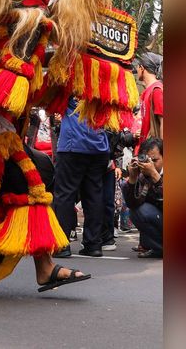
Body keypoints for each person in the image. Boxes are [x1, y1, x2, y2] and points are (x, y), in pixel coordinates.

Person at [51, 104, 115, 258]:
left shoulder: (73, 80)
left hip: (73, 144)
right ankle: (93, 244)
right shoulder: (106, 82)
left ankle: (62, 245)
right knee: (94, 195)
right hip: (99, 146)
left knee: (65, 195)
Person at [122, 139, 163, 258]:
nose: (151, 164)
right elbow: (133, 204)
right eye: (147, 160)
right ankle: (159, 248)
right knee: (138, 212)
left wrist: (155, 176)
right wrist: (132, 179)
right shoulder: (144, 176)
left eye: (155, 160)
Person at [134, 52, 164, 153]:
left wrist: (161, 153)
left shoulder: (157, 90)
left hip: (154, 153)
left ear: (142, 68)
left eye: (137, 67)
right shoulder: (147, 92)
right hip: (144, 149)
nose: (136, 70)